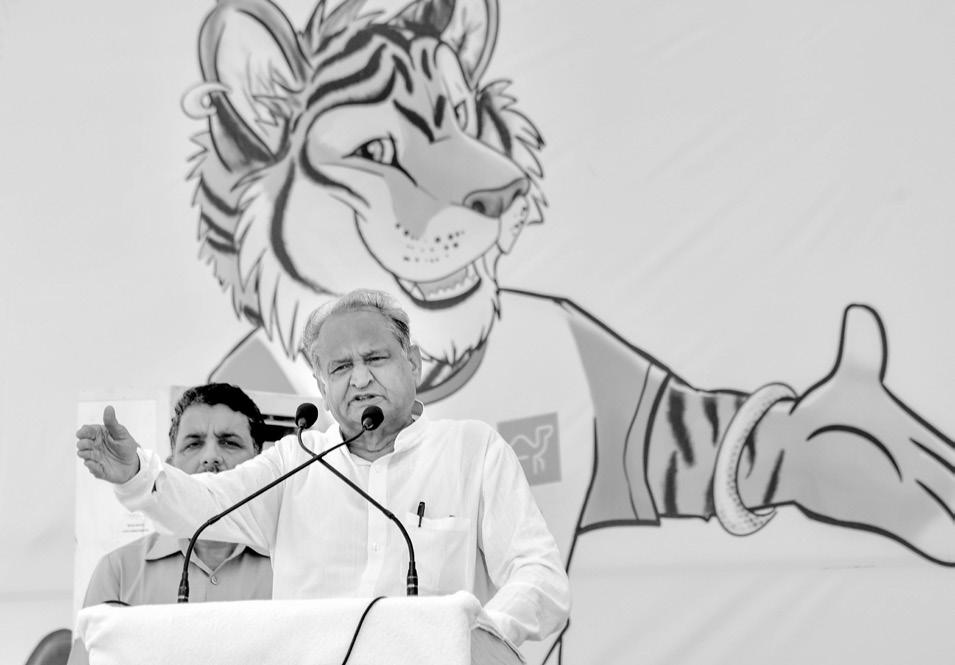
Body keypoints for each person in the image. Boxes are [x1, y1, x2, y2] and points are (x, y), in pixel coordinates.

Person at [76, 289, 570, 649]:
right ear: (321, 385)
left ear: (414, 363)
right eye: (340, 367)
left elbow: (540, 575)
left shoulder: (472, 450)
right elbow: (204, 506)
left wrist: (480, 636)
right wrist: (137, 473)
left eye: (375, 358)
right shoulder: (296, 461)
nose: (360, 378)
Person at [79, 383, 273, 607]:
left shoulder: (290, 567)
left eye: (229, 443)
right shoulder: (119, 572)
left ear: (261, 464)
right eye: (194, 444)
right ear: (170, 466)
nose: (210, 457)